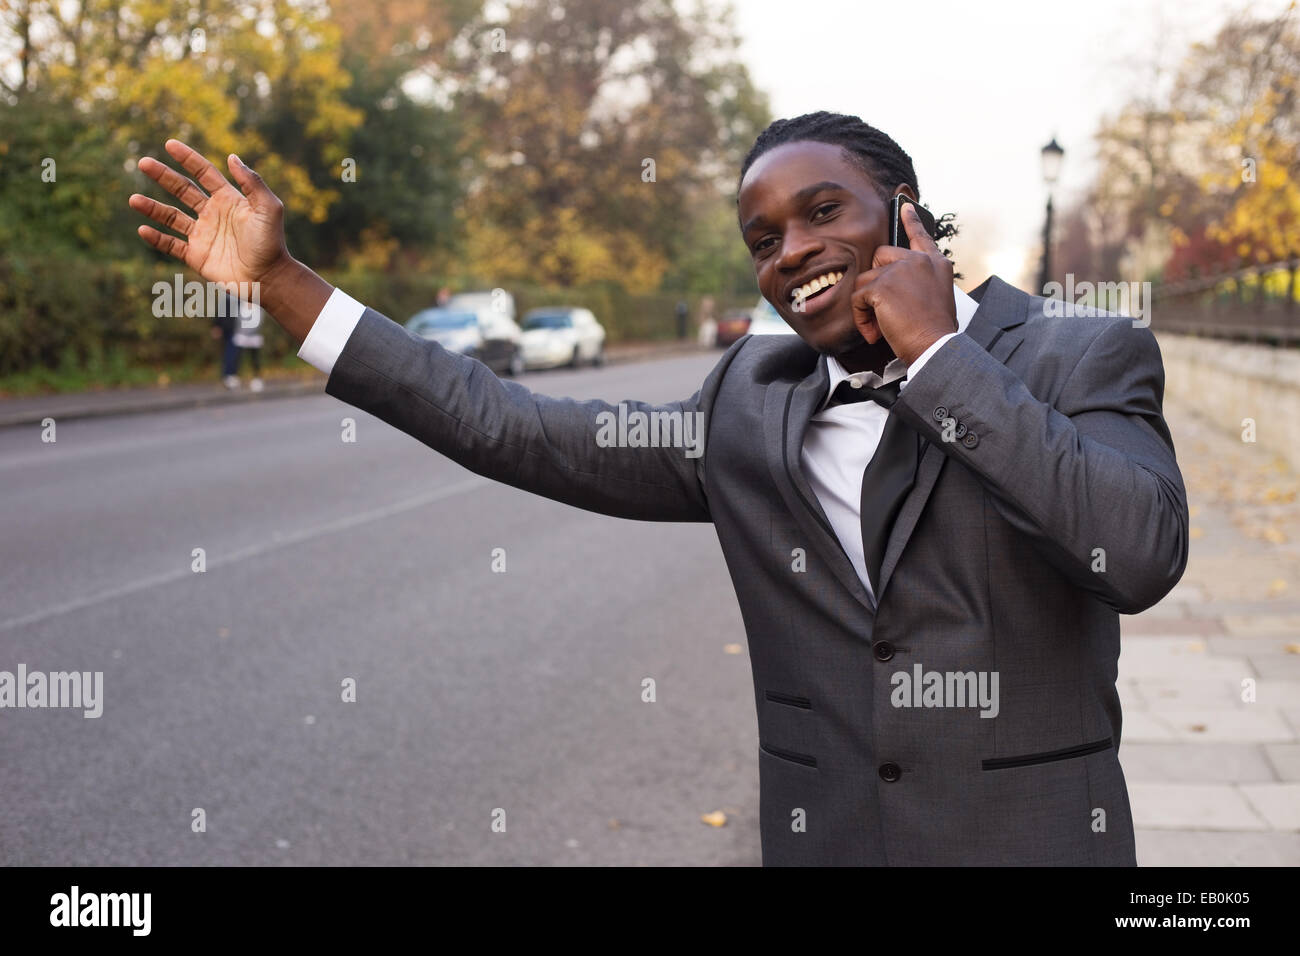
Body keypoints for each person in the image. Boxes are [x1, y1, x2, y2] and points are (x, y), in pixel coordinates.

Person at [127, 112, 1188, 866]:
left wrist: (937, 362)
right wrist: (284, 284)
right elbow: (512, 425)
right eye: (763, 239)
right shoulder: (747, 400)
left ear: (906, 214)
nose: (793, 252)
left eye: (823, 210)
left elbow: (1133, 551)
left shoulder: (1075, 356)